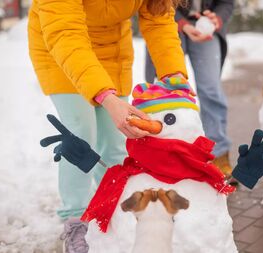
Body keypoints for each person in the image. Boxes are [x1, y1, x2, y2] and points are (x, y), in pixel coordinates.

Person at [27, 0, 187, 252]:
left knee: (116, 142)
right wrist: (106, 97)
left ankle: (111, 207)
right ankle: (76, 219)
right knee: (81, 133)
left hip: (112, 50)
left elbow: (158, 19)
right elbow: (66, 33)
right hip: (61, 47)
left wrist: (174, 77)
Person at [145, 0, 235, 179]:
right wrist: (182, 23)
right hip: (166, 21)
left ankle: (218, 154)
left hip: (206, 29)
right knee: (165, 91)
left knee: (211, 90)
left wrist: (217, 18)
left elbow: (226, 2)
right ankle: (163, 153)